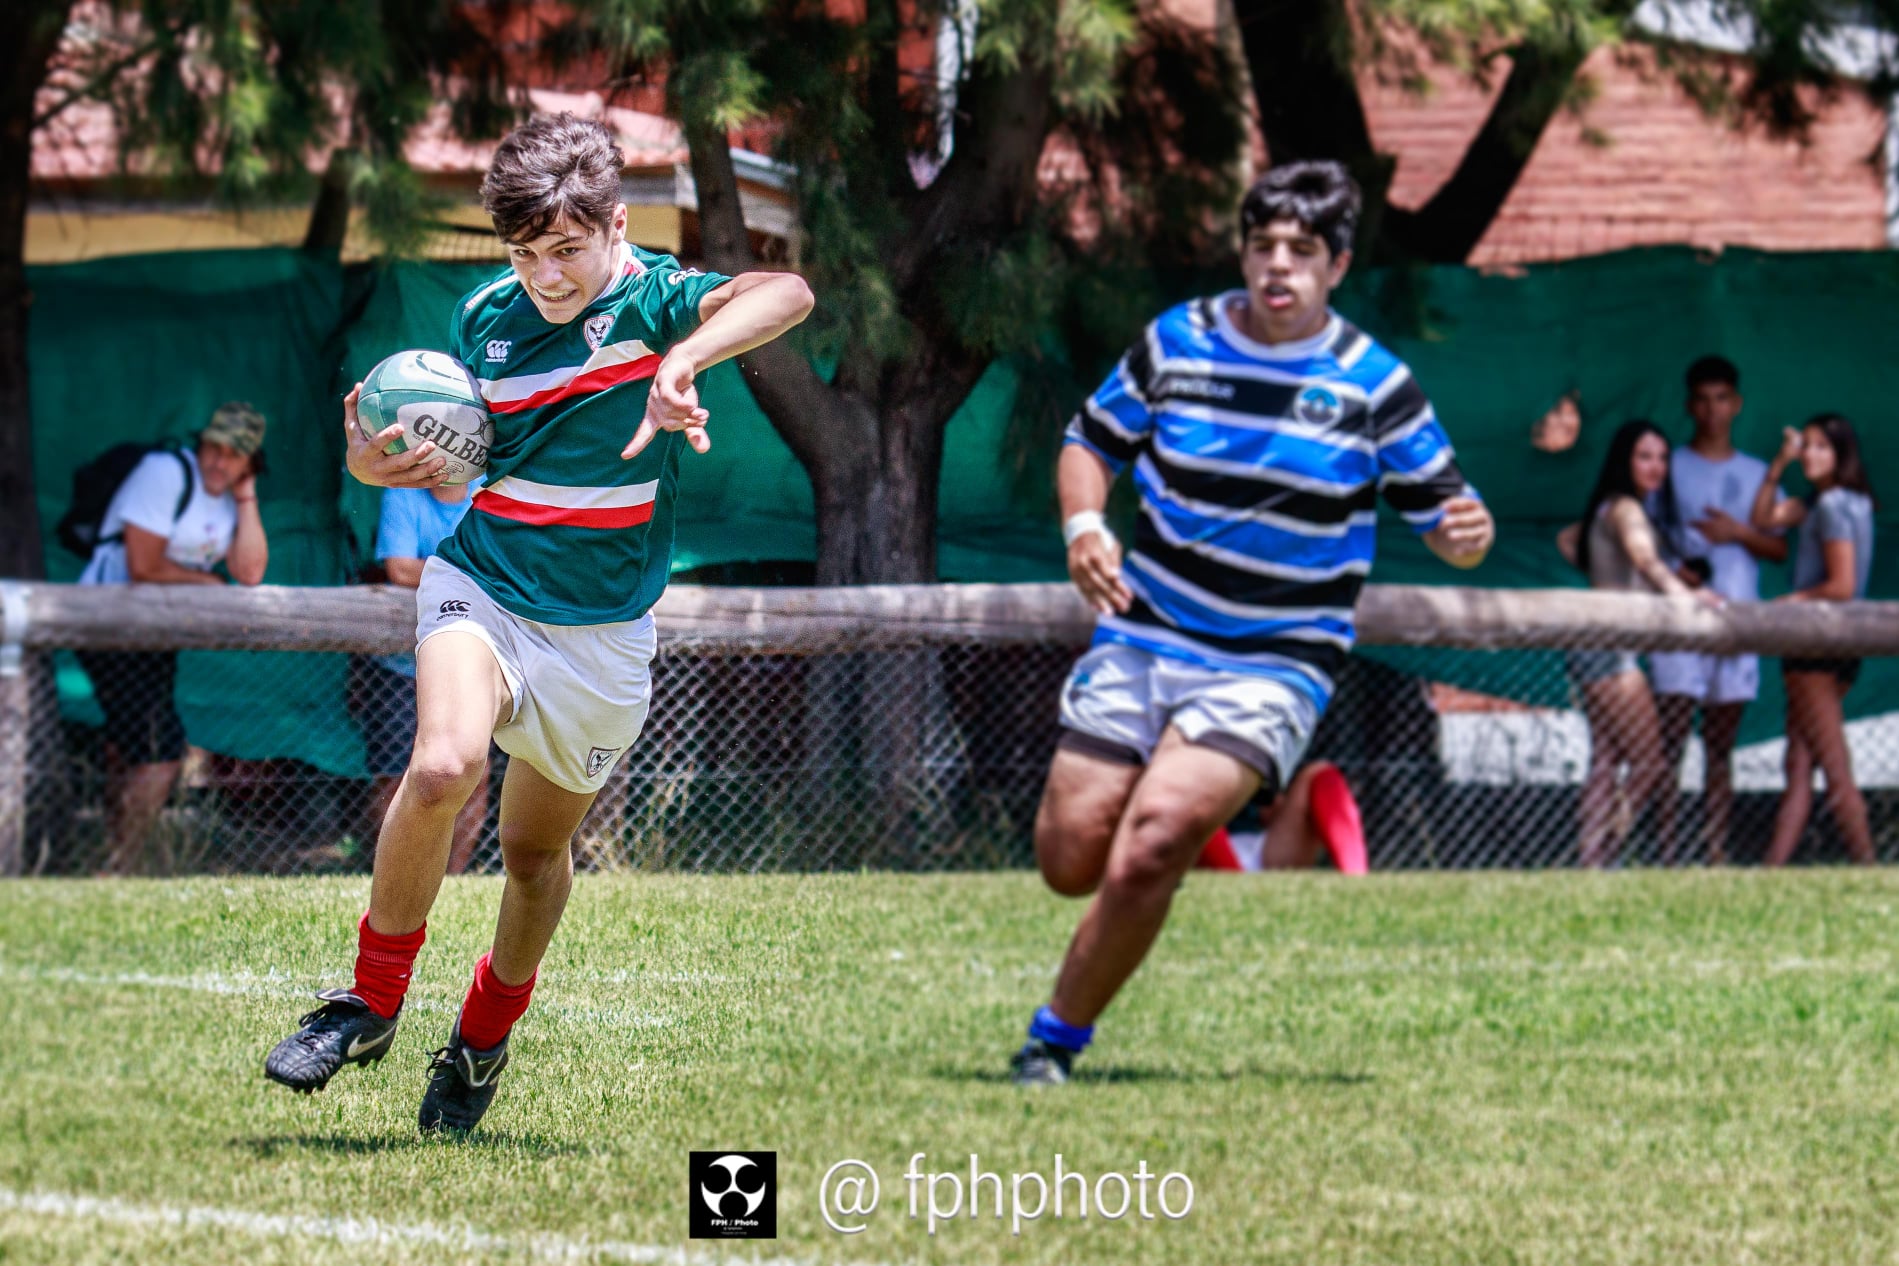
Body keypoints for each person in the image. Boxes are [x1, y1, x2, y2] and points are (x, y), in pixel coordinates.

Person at [264, 112, 813, 1132]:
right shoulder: (486, 319)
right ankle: (369, 1000)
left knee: (530, 858)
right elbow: (461, 452)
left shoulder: (657, 296)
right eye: (525, 254)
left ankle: (479, 1043)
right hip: (486, 582)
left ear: (614, 226)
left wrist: (682, 359)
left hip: (602, 635)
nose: (547, 277)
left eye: (566, 250)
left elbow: (788, 291)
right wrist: (374, 461)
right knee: (441, 765)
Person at [1011, 161, 1495, 1087]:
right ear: (1241, 250)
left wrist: (1468, 536)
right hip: (1145, 632)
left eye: (1302, 251)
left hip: (1276, 659)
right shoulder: (1177, 341)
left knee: (1152, 841)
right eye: (1262, 245)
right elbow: (1090, 443)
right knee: (1069, 859)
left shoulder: (1373, 385)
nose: (1278, 266)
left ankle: (1054, 1040)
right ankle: (1151, 863)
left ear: (1338, 266)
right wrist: (1083, 528)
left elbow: (1449, 523)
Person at [75, 403, 270, 875]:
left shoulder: (230, 498)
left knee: (131, 748)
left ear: (250, 463)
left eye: (234, 455)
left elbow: (249, 572)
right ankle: (124, 866)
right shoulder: (162, 473)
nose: (219, 462)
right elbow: (144, 565)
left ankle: (112, 858)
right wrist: (209, 585)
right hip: (112, 625)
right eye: (213, 448)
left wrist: (246, 499)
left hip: (157, 636)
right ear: (199, 443)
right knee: (161, 754)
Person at [1557, 420, 1721, 869]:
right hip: (1610, 649)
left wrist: (1609, 577)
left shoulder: (1607, 507)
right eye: (1644, 456)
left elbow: (1568, 539)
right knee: (1649, 765)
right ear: (1624, 460)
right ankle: (1608, 850)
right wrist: (1685, 596)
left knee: (1606, 758)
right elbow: (1646, 560)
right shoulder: (1628, 509)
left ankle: (1591, 864)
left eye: (1662, 457)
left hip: (1592, 643)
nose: (1656, 466)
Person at [1648, 357, 1786, 865]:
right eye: (1703, 400)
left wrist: (1740, 534)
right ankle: (1666, 849)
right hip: (1679, 623)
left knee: (1720, 747)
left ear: (1737, 403)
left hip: (1738, 622)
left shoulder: (1756, 474)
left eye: (1722, 398)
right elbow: (1644, 538)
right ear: (1689, 406)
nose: (1712, 410)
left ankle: (1715, 849)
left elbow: (1778, 548)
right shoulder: (1668, 467)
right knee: (1670, 744)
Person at [1750, 415, 1878, 866]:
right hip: (1842, 646)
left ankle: (1871, 869)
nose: (1810, 455)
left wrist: (1793, 600)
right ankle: (1772, 870)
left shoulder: (1831, 507)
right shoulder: (1837, 502)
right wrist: (1779, 464)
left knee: (1833, 767)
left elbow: (1841, 585)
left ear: (1842, 454)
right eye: (1807, 446)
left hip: (1816, 646)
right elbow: (1762, 517)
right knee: (1799, 763)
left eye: (1822, 447)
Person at [347, 480, 489, 875]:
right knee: (397, 775)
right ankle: (397, 874)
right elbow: (399, 568)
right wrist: (469, 570)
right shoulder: (402, 495)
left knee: (472, 773)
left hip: (470, 667)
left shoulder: (490, 491)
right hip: (400, 668)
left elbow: (503, 566)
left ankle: (452, 877)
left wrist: (440, 570)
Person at [1196, 760, 1368, 872]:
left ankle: (1356, 877)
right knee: (1197, 805)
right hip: (1207, 850)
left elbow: (1271, 806)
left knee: (1320, 772)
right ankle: (1236, 886)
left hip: (1263, 849)